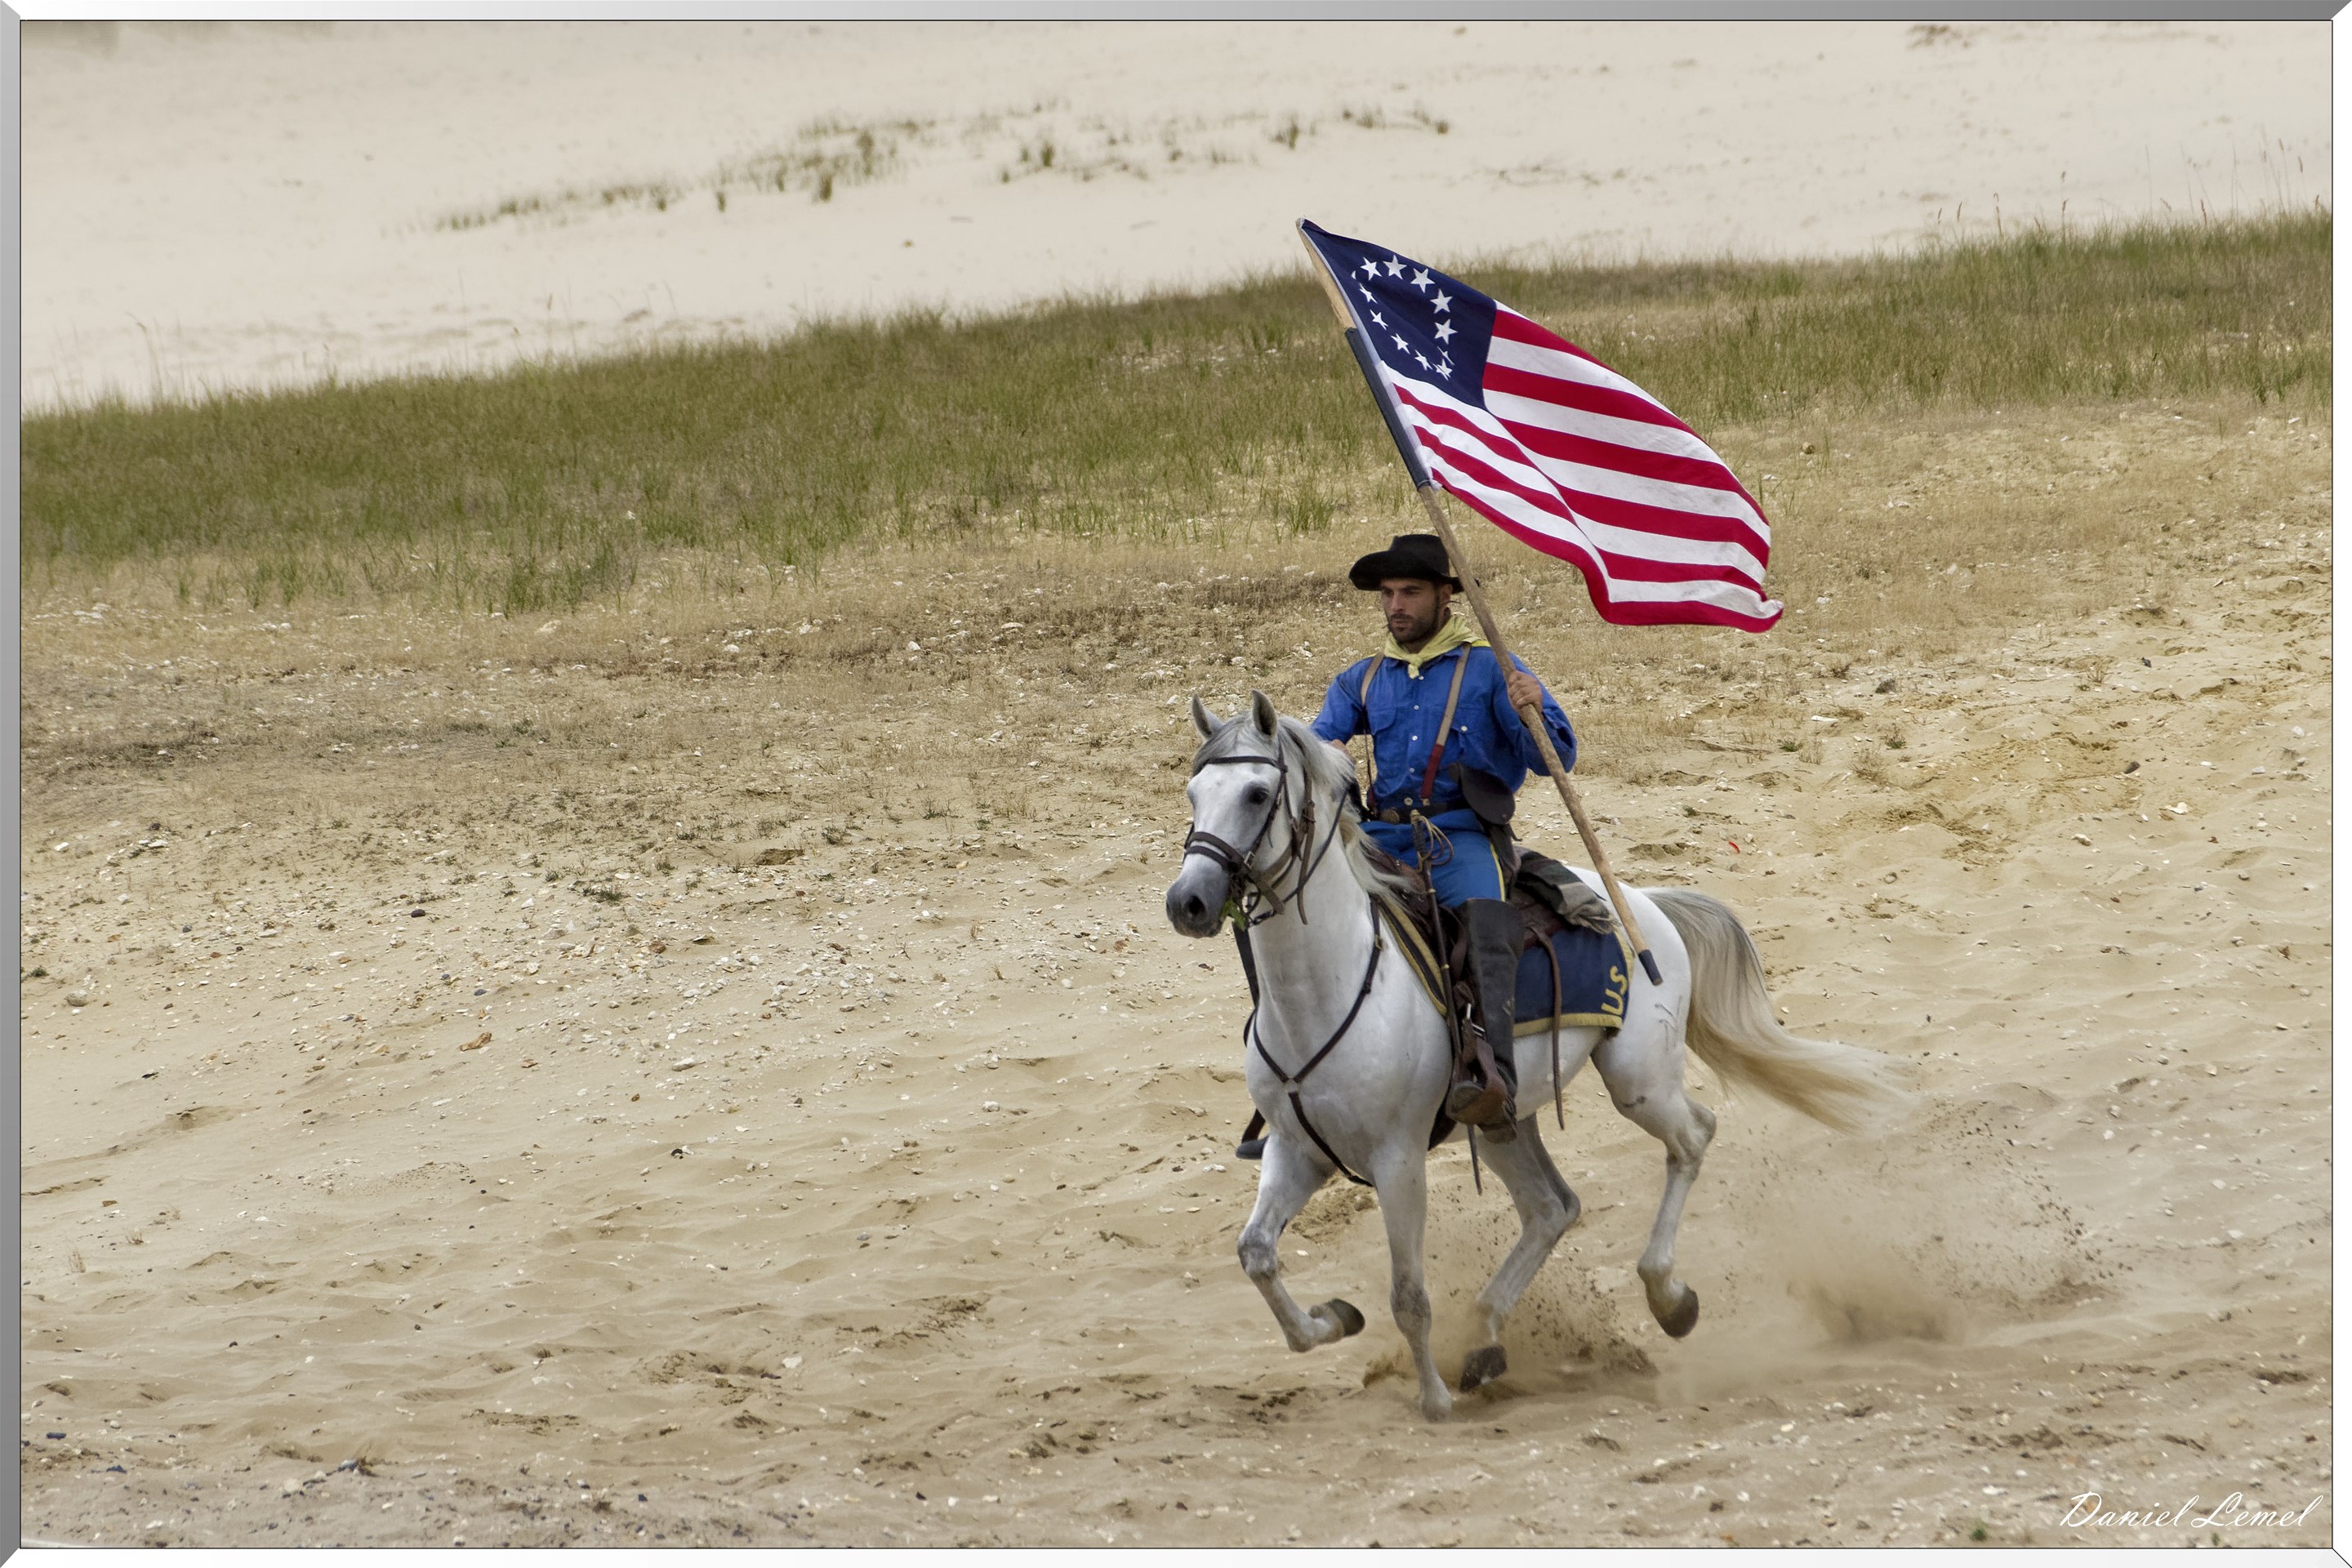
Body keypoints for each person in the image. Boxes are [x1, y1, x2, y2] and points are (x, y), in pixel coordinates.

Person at [1311, 532, 1579, 1136]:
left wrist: (1536, 705)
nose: (1396, 605)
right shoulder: (1364, 677)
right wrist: (1324, 752)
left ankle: (1494, 1079)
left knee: (1486, 924)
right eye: (1387, 594)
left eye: (1410, 592)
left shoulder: (1492, 669)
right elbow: (1322, 741)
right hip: (1380, 838)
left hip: (1459, 838)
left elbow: (1556, 757)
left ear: (1445, 596)